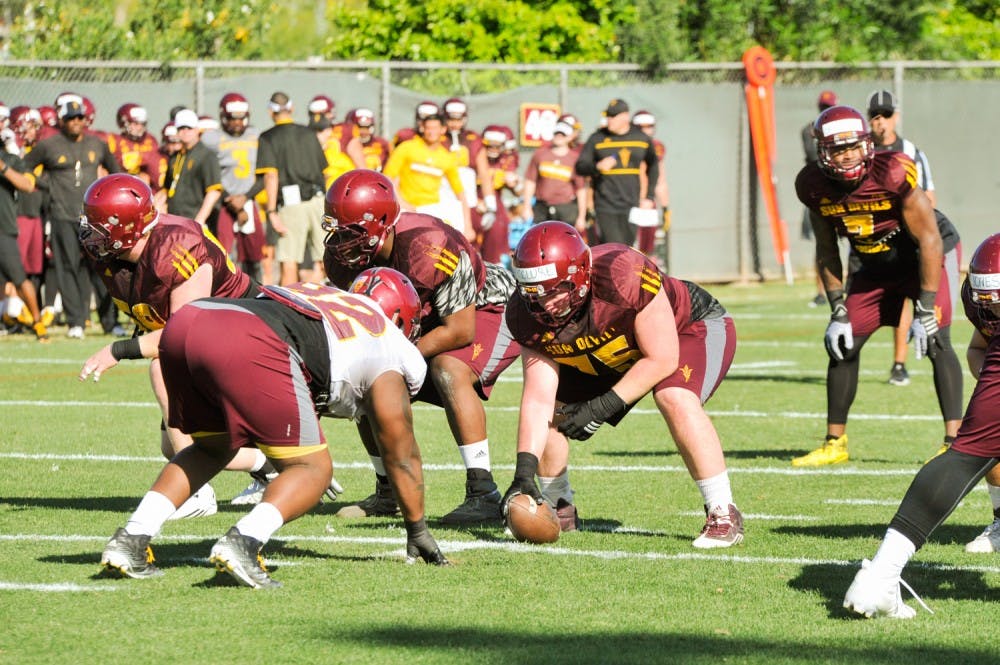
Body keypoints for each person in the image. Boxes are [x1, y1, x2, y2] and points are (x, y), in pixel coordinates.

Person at [100, 272, 449, 588]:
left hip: (191, 322)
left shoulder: (320, 294)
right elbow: (400, 452)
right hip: (253, 338)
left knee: (210, 448)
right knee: (313, 469)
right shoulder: (390, 342)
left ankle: (130, 539)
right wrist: (417, 528)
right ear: (402, 317)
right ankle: (244, 542)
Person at [502, 222, 743, 546]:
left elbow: (662, 359)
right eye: (534, 293)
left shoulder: (622, 274)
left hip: (687, 328)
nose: (545, 304)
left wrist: (600, 408)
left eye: (554, 290)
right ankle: (557, 505)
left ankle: (723, 512)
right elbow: (538, 397)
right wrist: (523, 473)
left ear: (579, 276)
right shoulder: (523, 313)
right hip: (613, 349)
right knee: (556, 410)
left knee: (674, 395)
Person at [323, 169, 520, 524]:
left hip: (489, 305)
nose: (340, 241)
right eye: (336, 229)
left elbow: (459, 330)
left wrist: (397, 352)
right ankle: (390, 492)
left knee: (449, 369)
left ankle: (483, 490)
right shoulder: (343, 261)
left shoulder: (429, 246)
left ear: (381, 222)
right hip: (424, 320)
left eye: (350, 231)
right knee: (368, 378)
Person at [76, 173, 279, 518]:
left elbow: (182, 334)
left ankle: (196, 492)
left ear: (125, 227)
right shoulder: (116, 255)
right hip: (216, 331)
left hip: (253, 325)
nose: (88, 235)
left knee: (163, 366)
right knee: (171, 446)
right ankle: (271, 468)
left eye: (98, 227)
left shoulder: (177, 245)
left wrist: (116, 350)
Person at [792, 105, 963, 467]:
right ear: (822, 152)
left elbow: (930, 240)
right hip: (872, 264)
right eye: (838, 149)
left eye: (853, 146)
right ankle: (834, 443)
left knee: (936, 338)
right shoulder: (813, 185)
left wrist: (925, 304)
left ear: (867, 145)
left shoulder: (893, 171)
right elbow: (826, 250)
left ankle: (954, 443)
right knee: (842, 343)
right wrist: (837, 307)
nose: (848, 155)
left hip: (924, 256)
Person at [842, 233, 1000, 618]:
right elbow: (980, 347)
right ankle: (882, 574)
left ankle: (881, 574)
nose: (992, 312)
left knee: (964, 455)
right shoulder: (982, 306)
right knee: (967, 453)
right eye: (990, 305)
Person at [24, 96, 122, 339]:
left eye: (79, 117)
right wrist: (44, 184)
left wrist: (107, 196)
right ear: (62, 120)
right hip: (62, 214)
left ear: (85, 119)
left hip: (93, 218)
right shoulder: (49, 145)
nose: (76, 122)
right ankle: (75, 321)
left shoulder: (97, 144)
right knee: (67, 267)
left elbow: (116, 170)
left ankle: (110, 322)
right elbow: (25, 165)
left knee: (100, 267)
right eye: (70, 118)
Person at [867, 90, 938, 388]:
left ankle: (900, 364)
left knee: (912, 302)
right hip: (870, 243)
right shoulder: (863, 152)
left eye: (886, 115)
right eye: (875, 116)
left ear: (896, 116)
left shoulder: (911, 151)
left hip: (906, 240)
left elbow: (929, 198)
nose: (881, 122)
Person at [256, 92, 328, 286]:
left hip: (291, 204)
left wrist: (271, 212)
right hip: (318, 200)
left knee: (289, 263)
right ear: (292, 108)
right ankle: (322, 299)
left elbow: (271, 176)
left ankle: (290, 310)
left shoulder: (268, 137)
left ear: (271, 112)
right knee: (326, 260)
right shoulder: (309, 133)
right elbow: (324, 171)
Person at [201, 92, 266, 284]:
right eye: (232, 119)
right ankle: (225, 292)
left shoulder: (256, 135)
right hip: (223, 202)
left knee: (254, 255)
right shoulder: (210, 138)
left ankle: (258, 291)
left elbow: (263, 173)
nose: (237, 123)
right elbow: (208, 173)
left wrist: (244, 199)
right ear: (222, 116)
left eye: (241, 118)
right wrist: (231, 200)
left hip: (249, 199)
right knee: (224, 253)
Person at [574, 99, 658, 246]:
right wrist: (597, 167)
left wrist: (649, 196)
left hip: (632, 204)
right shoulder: (597, 138)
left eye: (613, 116)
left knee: (628, 248)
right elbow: (580, 166)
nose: (609, 120)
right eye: (608, 116)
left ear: (625, 116)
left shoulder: (641, 138)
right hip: (605, 205)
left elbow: (654, 165)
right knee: (614, 246)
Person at [382, 104, 473, 241]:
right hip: (405, 209)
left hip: (431, 211)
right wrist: (402, 203)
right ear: (422, 128)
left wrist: (468, 226)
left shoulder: (446, 157)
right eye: (428, 128)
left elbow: (460, 193)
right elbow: (387, 179)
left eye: (435, 128)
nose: (431, 132)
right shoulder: (406, 148)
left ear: (443, 130)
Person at [0, 130, 48, 341]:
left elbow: (27, 185)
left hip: (3, 228)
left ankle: (38, 322)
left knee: (19, 277)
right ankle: (8, 320)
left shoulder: (10, 160)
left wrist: (3, 168)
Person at [802, 90, 840, 308]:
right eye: (823, 108)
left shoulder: (846, 128)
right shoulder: (808, 131)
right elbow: (815, 157)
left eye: (829, 108)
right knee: (822, 243)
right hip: (822, 193)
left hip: (844, 192)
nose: (825, 112)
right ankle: (820, 291)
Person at [521, 117, 587, 234]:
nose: (559, 137)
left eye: (563, 134)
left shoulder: (575, 159)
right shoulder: (540, 154)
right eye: (557, 133)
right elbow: (530, 181)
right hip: (542, 208)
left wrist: (582, 216)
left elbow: (581, 190)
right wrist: (526, 206)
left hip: (566, 209)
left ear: (571, 137)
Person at [156, 108, 222, 227]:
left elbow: (214, 192)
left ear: (197, 129)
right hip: (175, 219)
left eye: (189, 128)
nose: (185, 131)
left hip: (196, 221)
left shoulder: (207, 155)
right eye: (181, 128)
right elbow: (167, 189)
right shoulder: (175, 157)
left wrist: (200, 220)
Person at [631, 110, 670, 265]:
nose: (645, 130)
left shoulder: (656, 147)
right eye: (641, 126)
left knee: (646, 252)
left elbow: (660, 179)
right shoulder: (628, 145)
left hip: (648, 202)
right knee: (627, 249)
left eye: (649, 126)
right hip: (628, 201)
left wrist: (665, 207)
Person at [107, 103, 161, 189]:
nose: (140, 127)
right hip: (120, 180)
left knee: (144, 177)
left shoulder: (150, 140)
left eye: (142, 124)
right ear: (123, 123)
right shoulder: (115, 141)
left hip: (145, 185)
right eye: (135, 123)